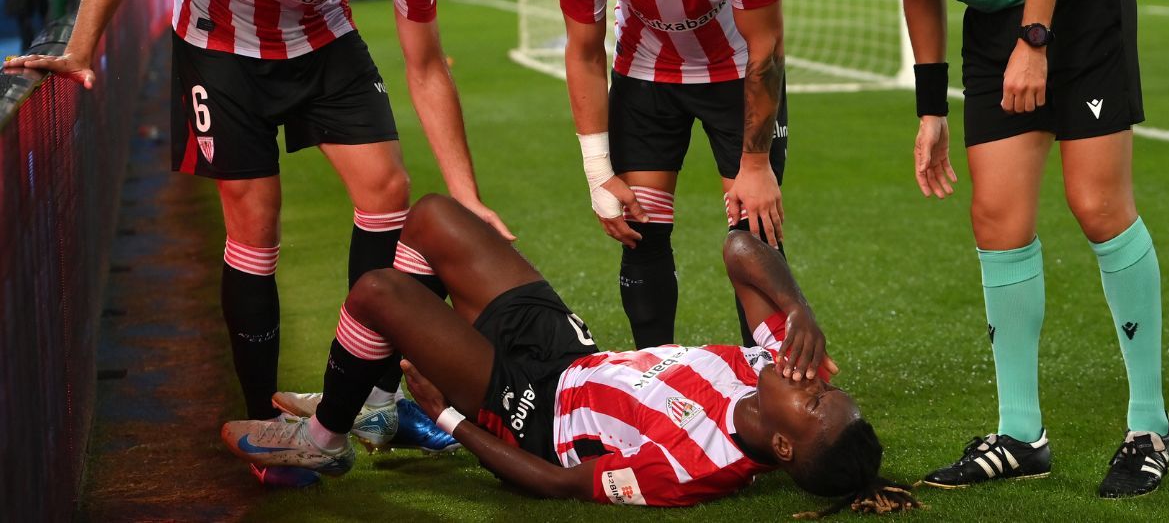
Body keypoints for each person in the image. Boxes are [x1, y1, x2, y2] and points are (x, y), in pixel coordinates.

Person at [5, 0, 511, 483]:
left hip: (320, 38)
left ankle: (374, 402)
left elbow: (425, 66)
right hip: (220, 46)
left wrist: (466, 194)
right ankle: (265, 427)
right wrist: (78, 49)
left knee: (389, 192)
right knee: (255, 222)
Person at [728, 0, 1169, 499]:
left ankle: (1150, 426)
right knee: (996, 220)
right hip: (995, 19)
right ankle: (1021, 435)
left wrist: (1035, 39)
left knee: (1096, 206)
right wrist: (931, 110)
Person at [221, 194, 921, 515]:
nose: (814, 382)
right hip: (569, 350)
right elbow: (740, 247)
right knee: (432, 216)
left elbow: (555, 486)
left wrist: (452, 418)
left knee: (378, 292)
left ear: (785, 446)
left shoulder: (693, 468)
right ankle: (374, 406)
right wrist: (799, 310)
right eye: (828, 389)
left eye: (817, 402)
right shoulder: (773, 367)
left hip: (532, 413)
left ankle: (324, 441)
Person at [558, 0, 789, 350]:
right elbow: (584, 53)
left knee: (755, 232)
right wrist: (597, 170)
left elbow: (766, 47)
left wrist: (755, 162)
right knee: (641, 231)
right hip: (645, 75)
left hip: (737, 73)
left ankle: (770, 372)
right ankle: (655, 371)